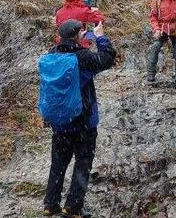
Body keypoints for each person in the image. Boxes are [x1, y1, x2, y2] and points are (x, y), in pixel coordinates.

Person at [44, 19, 117, 218]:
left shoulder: (52, 54)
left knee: (58, 162)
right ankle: (73, 207)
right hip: (83, 120)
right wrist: (100, 37)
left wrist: (78, 40)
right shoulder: (82, 56)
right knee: (83, 162)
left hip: (60, 121)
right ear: (78, 34)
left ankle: (51, 204)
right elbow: (107, 58)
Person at [145, 0, 176, 85]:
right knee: (155, 48)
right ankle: (150, 75)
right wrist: (156, 29)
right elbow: (153, 17)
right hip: (162, 28)